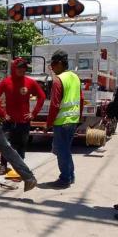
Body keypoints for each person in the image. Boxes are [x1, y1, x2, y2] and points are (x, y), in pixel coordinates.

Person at [0, 58, 46, 175]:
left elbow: (42, 96)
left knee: (22, 145)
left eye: (24, 68)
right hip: (9, 120)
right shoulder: (6, 82)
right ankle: (3, 166)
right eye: (19, 67)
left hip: (24, 121)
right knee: (5, 144)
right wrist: (3, 114)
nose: (22, 70)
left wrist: (33, 113)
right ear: (14, 68)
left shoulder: (30, 82)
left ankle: (20, 168)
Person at [45, 50, 84, 189]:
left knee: (61, 151)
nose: (53, 67)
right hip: (72, 120)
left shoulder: (59, 80)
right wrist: (78, 117)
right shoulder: (75, 77)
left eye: (54, 64)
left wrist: (48, 124)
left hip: (61, 122)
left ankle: (64, 179)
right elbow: (81, 99)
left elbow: (54, 104)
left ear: (60, 64)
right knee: (66, 150)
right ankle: (70, 176)